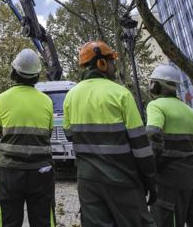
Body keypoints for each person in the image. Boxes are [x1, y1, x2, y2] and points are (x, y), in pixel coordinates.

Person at [63, 41, 156, 227]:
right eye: (112, 62)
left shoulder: (71, 96)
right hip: (122, 178)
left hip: (88, 181)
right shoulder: (121, 94)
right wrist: (150, 180)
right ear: (102, 64)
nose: (115, 66)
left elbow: (69, 135)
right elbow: (140, 145)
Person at [146, 64, 193, 227]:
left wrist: (151, 168)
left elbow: (153, 134)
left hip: (168, 180)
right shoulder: (188, 110)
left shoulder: (155, 106)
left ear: (156, 85)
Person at [0, 48, 55, 227]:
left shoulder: (1, 99)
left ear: (14, 72)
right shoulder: (47, 101)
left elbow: (1, 131)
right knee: (43, 219)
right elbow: (48, 134)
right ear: (37, 75)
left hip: (10, 171)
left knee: (8, 220)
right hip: (41, 171)